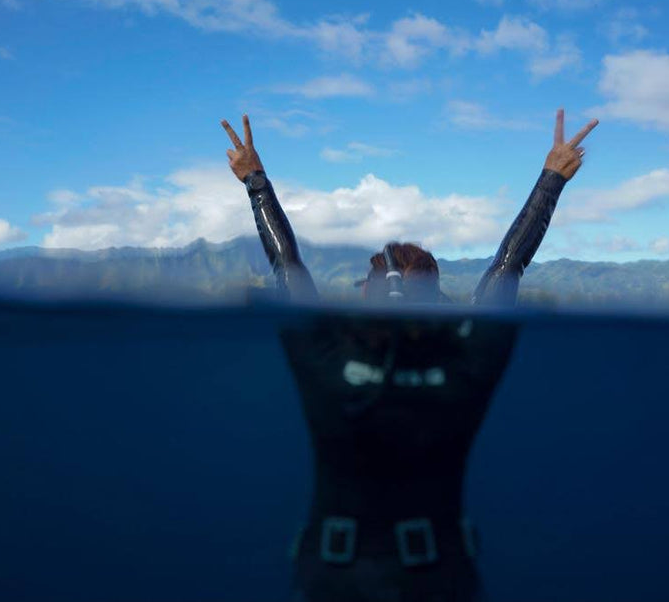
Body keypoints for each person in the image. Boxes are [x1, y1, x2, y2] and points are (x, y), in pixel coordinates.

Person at [221, 111, 597, 601]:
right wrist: (551, 179)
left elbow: (286, 266)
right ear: (439, 305)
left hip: (332, 580)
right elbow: (508, 267)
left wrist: (255, 180)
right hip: (441, 579)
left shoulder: (324, 355)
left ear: (364, 300)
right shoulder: (467, 360)